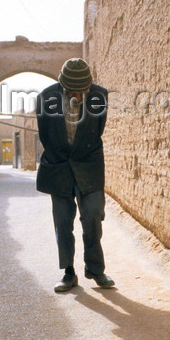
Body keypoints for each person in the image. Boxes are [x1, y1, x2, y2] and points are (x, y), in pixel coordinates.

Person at [36, 58, 114, 291]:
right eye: (73, 92)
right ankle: (68, 273)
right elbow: (45, 135)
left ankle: (95, 269)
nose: (79, 96)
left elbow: (98, 130)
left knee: (92, 216)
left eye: (83, 92)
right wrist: (60, 154)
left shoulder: (100, 96)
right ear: (63, 87)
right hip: (59, 166)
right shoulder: (46, 98)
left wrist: (81, 152)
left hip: (89, 164)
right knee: (62, 221)